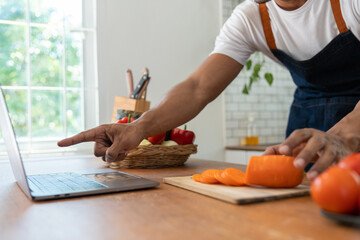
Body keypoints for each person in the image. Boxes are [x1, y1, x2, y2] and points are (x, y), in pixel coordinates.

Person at [58, 0, 360, 180]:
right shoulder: (251, 18)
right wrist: (139, 127)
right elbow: (198, 87)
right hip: (307, 119)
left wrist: (343, 134)